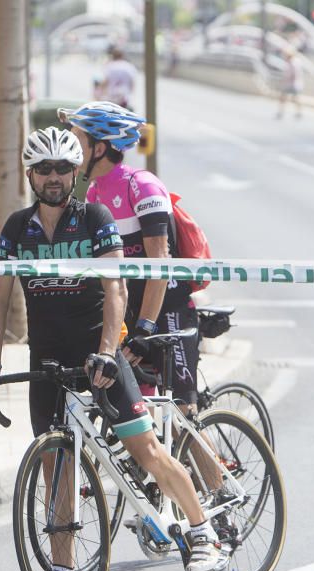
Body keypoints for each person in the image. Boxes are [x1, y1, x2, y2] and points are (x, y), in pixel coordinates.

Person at [0, 127, 227, 571]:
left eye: (63, 168)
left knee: (146, 447)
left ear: (75, 174)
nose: (53, 177)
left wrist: (110, 351)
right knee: (56, 468)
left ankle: (202, 532)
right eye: (44, 169)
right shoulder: (15, 228)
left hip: (99, 356)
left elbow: (116, 290)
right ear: (30, 174)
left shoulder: (94, 218)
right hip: (47, 361)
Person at [58, 101, 202, 418]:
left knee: (182, 416)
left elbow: (160, 264)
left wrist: (146, 329)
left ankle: (211, 469)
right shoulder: (94, 194)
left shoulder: (142, 185)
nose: (71, 146)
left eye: (77, 137)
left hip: (167, 312)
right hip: (132, 317)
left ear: (100, 146)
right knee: (138, 416)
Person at [276, 48, 303, 119]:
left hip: (292, 84)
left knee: (293, 98)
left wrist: (287, 80)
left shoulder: (294, 63)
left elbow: (294, 74)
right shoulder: (290, 63)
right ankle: (282, 111)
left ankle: (298, 112)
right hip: (290, 83)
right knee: (285, 98)